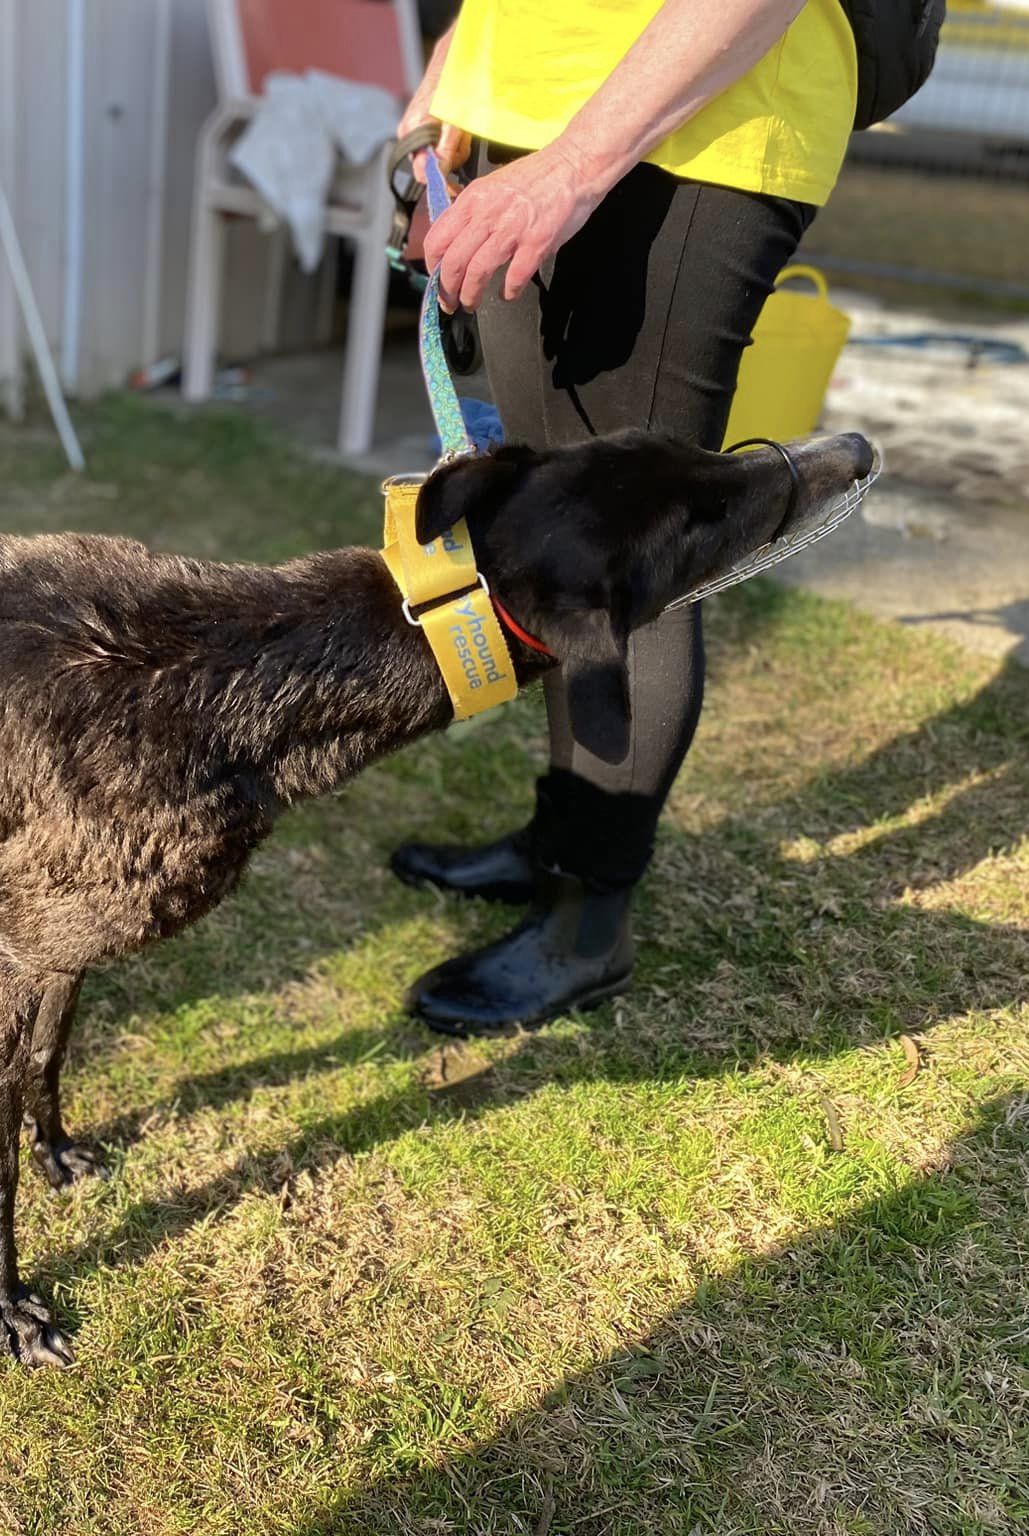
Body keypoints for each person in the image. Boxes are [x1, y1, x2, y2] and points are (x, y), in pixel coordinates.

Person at [388, 0, 857, 1033]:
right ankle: (561, 835)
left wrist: (571, 166)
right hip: (521, 133)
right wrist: (435, 118)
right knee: (557, 534)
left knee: (625, 562)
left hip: (689, 135)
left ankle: (584, 924)